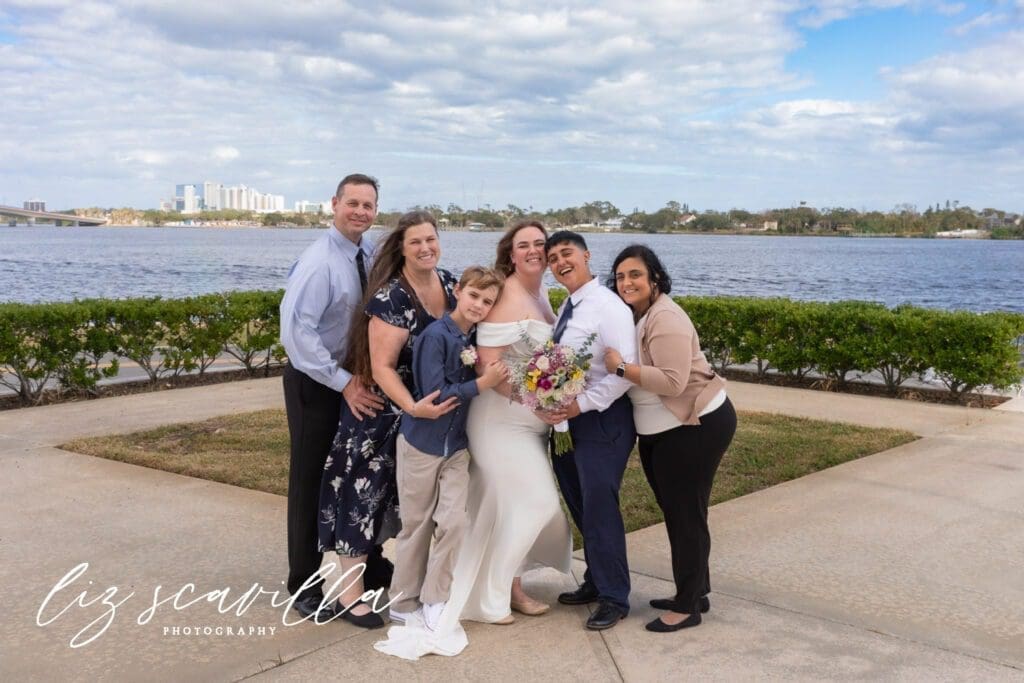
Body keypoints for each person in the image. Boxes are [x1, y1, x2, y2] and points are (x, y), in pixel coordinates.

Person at [373, 221, 575, 661]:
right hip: (480, 427)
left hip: (488, 434)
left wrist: (554, 392)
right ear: (510, 253)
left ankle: (469, 592)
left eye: (540, 244)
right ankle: (460, 599)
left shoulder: (541, 294)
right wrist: (525, 396)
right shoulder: (481, 310)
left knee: (473, 516)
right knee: (529, 505)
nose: (534, 251)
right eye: (523, 245)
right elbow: (481, 371)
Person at [318, 210, 459, 629]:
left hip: (430, 416)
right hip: (382, 414)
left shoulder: (449, 284)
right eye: (416, 242)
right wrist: (412, 407)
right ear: (402, 248)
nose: (425, 248)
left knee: (414, 506)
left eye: (431, 239)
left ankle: (414, 585)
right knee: (364, 499)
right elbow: (381, 367)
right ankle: (349, 596)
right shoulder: (391, 298)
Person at [602, 245, 736, 633]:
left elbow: (673, 382)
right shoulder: (637, 314)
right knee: (681, 512)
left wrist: (621, 369)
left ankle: (688, 606)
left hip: (694, 426)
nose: (626, 282)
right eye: (620, 276)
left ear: (655, 278)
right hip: (662, 431)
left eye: (635, 275)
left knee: (685, 514)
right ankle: (694, 591)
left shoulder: (665, 317)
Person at [280, 173, 385, 621]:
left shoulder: (368, 253)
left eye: (368, 205)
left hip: (351, 380)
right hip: (316, 382)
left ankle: (370, 564)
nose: (360, 211)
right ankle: (303, 584)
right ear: (334, 204)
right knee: (310, 481)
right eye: (352, 203)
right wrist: (343, 382)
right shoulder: (319, 263)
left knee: (359, 472)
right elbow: (296, 335)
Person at [387, 267, 508, 632]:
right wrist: (483, 383)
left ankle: (435, 598)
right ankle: (402, 602)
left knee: (455, 522)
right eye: (474, 296)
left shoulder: (475, 339)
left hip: (455, 448)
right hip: (421, 445)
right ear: (458, 291)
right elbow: (435, 395)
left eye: (487, 301)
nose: (479, 305)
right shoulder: (435, 336)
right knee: (417, 526)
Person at [541, 230, 637, 631]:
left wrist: (579, 404)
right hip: (569, 422)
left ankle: (615, 596)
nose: (560, 262)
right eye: (553, 258)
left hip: (603, 420)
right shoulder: (568, 305)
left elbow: (623, 374)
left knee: (599, 507)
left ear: (586, 255)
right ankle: (597, 579)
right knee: (579, 503)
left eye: (567, 253)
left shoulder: (608, 306)